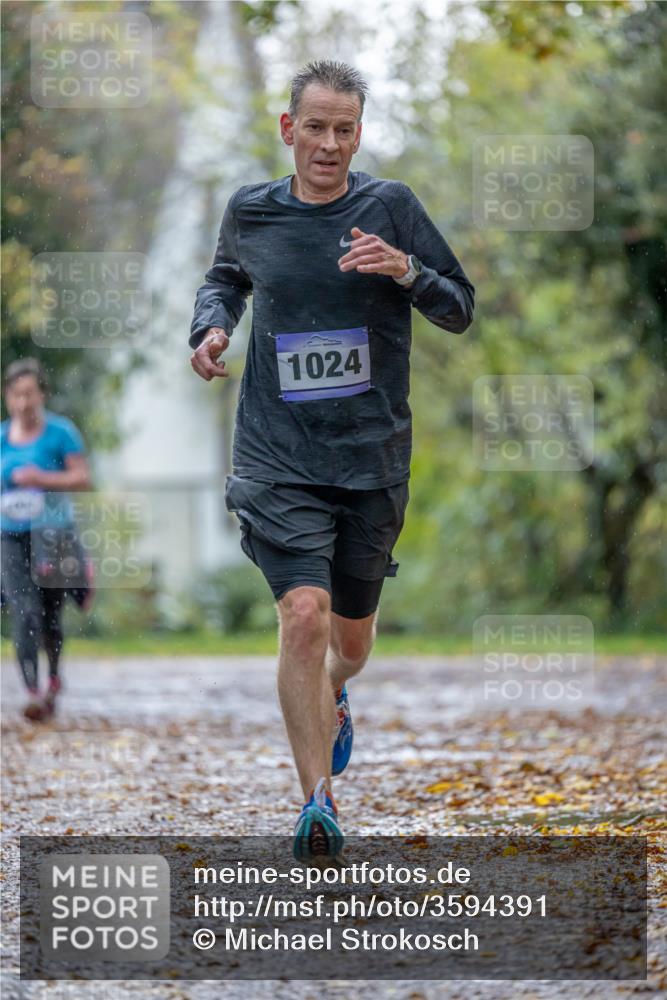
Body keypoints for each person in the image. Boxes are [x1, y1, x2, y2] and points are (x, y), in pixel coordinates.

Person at [189, 60, 474, 860]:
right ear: (288, 129)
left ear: (358, 133)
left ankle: (336, 693)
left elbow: (458, 306)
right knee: (302, 614)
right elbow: (223, 282)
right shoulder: (251, 212)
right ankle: (317, 803)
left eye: (343, 129)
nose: (328, 143)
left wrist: (407, 270)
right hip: (276, 454)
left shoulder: (390, 207)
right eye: (313, 127)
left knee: (348, 643)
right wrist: (209, 330)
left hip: (369, 456)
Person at [1, 358, 91, 721]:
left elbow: (82, 478)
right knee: (25, 613)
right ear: (8, 397)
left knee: (51, 614)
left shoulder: (61, 432)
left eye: (30, 394)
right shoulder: (1, 437)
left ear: (42, 394)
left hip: (53, 535)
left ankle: (53, 676)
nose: (24, 403)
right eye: (16, 395)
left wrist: (42, 478)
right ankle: (32, 691)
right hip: (10, 536)